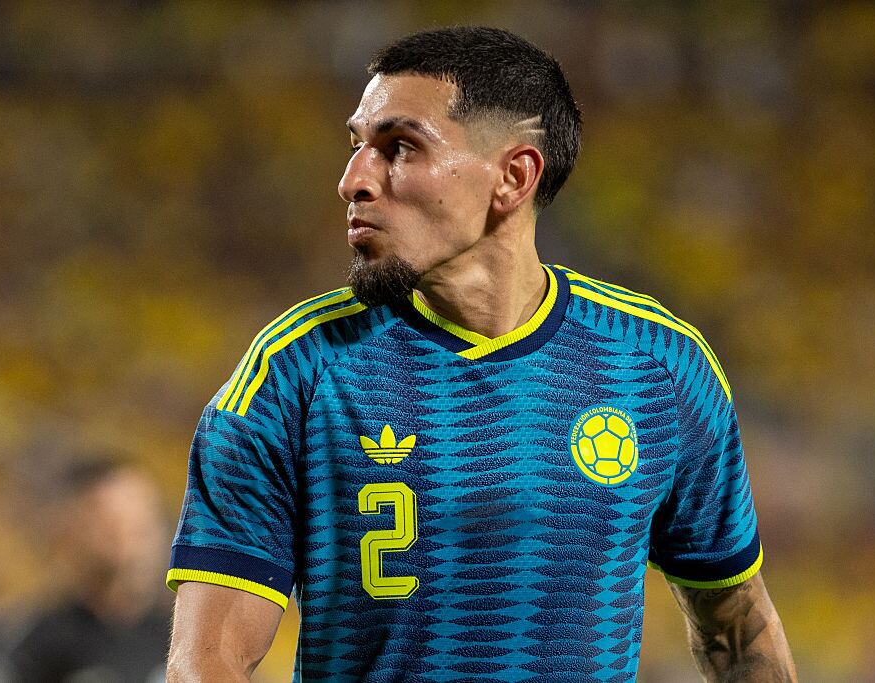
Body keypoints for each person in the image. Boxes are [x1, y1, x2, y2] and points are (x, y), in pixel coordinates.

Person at [166, 26, 796, 682]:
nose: (352, 180)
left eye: (399, 147)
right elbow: (206, 663)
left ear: (512, 178)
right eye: (356, 146)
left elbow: (737, 629)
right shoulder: (291, 374)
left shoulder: (658, 366)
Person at [7, 458, 171, 682]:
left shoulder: (189, 632)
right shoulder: (37, 643)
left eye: (140, 523)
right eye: (110, 522)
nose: (127, 536)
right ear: (71, 529)